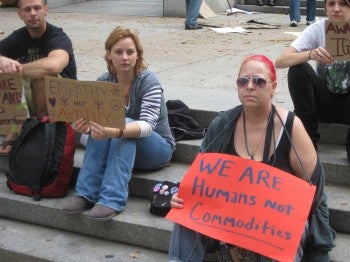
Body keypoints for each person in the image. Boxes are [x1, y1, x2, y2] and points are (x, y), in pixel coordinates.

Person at [168, 55, 335, 261]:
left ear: (273, 87)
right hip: (229, 215)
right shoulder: (222, 124)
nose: (249, 86)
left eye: (259, 81)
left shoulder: (292, 127)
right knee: (186, 211)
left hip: (276, 223)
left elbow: (315, 191)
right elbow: (200, 179)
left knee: (281, 226)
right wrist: (185, 196)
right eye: (243, 81)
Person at [61, 27, 176, 221]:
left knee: (125, 125)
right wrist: (84, 128)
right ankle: (86, 193)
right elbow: (96, 131)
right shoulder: (104, 82)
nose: (125, 57)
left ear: (138, 56)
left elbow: (147, 126)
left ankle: (112, 199)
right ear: (109, 55)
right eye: (118, 52)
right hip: (121, 146)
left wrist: (114, 131)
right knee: (102, 124)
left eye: (130, 52)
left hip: (157, 149)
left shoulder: (149, 81)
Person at [275, 0, 350, 161]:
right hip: (323, 102)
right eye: (331, 4)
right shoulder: (318, 28)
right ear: (325, 8)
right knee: (298, 69)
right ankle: (308, 139)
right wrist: (310, 54)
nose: (336, 9)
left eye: (343, 4)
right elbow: (280, 61)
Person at [0, 0, 77, 154]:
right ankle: (14, 128)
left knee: (43, 75)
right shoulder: (18, 37)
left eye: (37, 8)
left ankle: (40, 133)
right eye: (27, 10)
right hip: (30, 104)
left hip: (63, 105)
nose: (33, 13)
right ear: (20, 14)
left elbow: (54, 65)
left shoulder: (58, 36)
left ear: (46, 10)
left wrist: (16, 68)